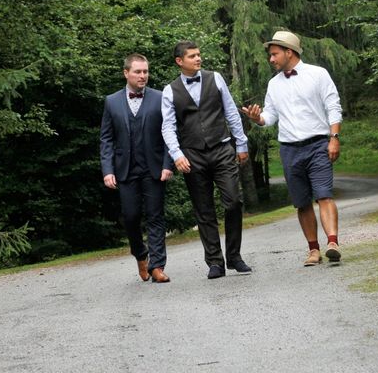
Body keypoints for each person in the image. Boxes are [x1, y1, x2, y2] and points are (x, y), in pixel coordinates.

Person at [241, 31, 343, 267]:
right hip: (289, 149)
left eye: (274, 54)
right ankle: (313, 250)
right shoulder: (273, 84)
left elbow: (333, 107)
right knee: (301, 202)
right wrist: (257, 119)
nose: (271, 59)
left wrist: (334, 137)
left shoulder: (318, 74)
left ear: (289, 52)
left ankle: (332, 243)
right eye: (270, 55)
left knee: (324, 195)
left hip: (318, 144)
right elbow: (270, 117)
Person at [161, 40, 252, 279]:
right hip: (192, 155)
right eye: (192, 56)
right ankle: (214, 262)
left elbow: (231, 111)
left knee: (233, 201)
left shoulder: (215, 78)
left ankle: (234, 256)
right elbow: (168, 127)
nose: (198, 59)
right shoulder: (170, 90)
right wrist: (177, 154)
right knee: (204, 210)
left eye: (199, 55)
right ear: (179, 61)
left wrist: (240, 143)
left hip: (222, 149)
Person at [100, 53, 174, 283]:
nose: (143, 76)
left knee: (155, 217)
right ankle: (141, 255)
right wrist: (108, 169)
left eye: (145, 72)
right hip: (125, 171)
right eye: (138, 72)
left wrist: (167, 164)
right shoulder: (111, 101)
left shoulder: (160, 98)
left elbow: (169, 134)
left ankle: (157, 266)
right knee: (131, 217)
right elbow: (106, 139)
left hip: (154, 169)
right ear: (126, 73)